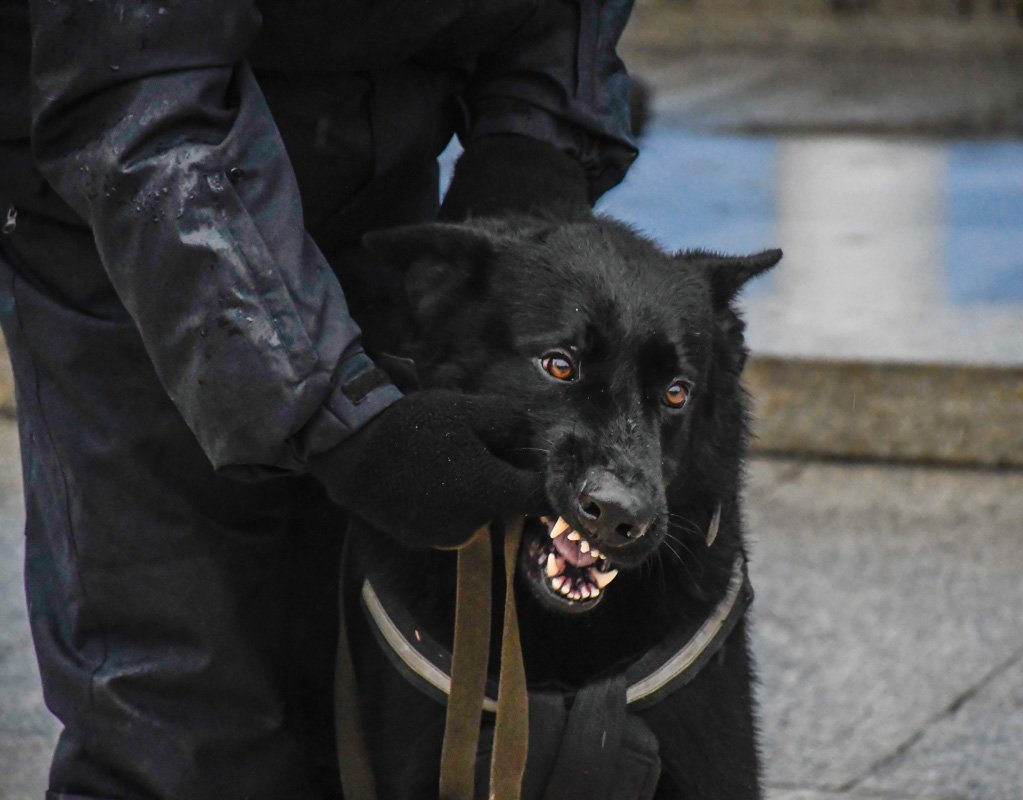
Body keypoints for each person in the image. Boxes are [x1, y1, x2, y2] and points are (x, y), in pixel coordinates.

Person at [0, 1, 637, 796]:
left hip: (378, 149)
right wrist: (344, 420)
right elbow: (139, 98)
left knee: (365, 696)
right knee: (185, 711)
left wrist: (529, 157)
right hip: (141, 198)